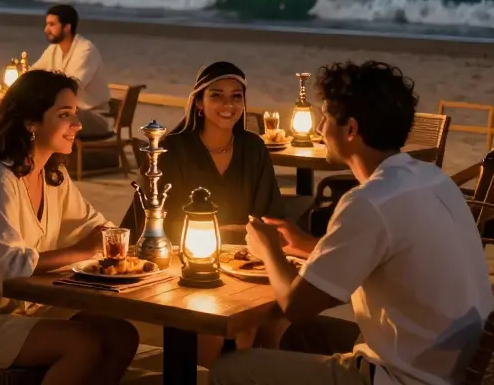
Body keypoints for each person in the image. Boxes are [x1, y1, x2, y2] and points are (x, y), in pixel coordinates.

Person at [211, 61, 494, 385]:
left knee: (230, 370)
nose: (319, 128)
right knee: (297, 337)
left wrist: (268, 250)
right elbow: (390, 255)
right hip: (449, 361)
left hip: (405, 376)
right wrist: (307, 245)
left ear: (351, 130)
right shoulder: (430, 178)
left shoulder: (369, 201)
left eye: (326, 117)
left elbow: (295, 305)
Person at [0, 70, 139, 385]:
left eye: (76, 114)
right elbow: (9, 268)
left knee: (121, 334)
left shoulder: (54, 176)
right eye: (64, 115)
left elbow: (95, 227)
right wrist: (83, 250)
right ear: (31, 123)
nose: (77, 125)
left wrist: (122, 245)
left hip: (23, 310)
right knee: (81, 344)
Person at [121, 61, 284, 364]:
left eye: (237, 96)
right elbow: (156, 225)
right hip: (182, 267)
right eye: (217, 95)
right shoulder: (172, 150)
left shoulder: (253, 148)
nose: (228, 104)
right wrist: (225, 233)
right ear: (198, 102)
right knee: (221, 325)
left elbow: (268, 216)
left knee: (275, 318)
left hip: (244, 265)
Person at [30, 5, 110, 139]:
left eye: (51, 24)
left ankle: (45, 158)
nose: (46, 29)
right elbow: (33, 73)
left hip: (94, 117)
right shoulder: (54, 49)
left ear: (67, 27)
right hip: (68, 113)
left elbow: (71, 87)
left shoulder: (85, 50)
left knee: (42, 121)